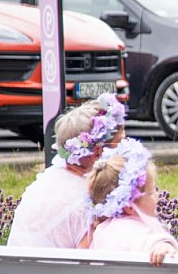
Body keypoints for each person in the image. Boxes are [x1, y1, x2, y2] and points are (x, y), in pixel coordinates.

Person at [7, 93, 126, 248]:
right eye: (121, 145)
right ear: (97, 153)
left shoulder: (49, 179)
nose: (126, 151)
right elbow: (91, 262)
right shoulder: (88, 200)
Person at [86, 138, 178, 266]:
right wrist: (163, 245)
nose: (156, 197)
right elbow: (146, 241)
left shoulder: (102, 231)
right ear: (130, 207)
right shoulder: (132, 231)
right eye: (151, 193)